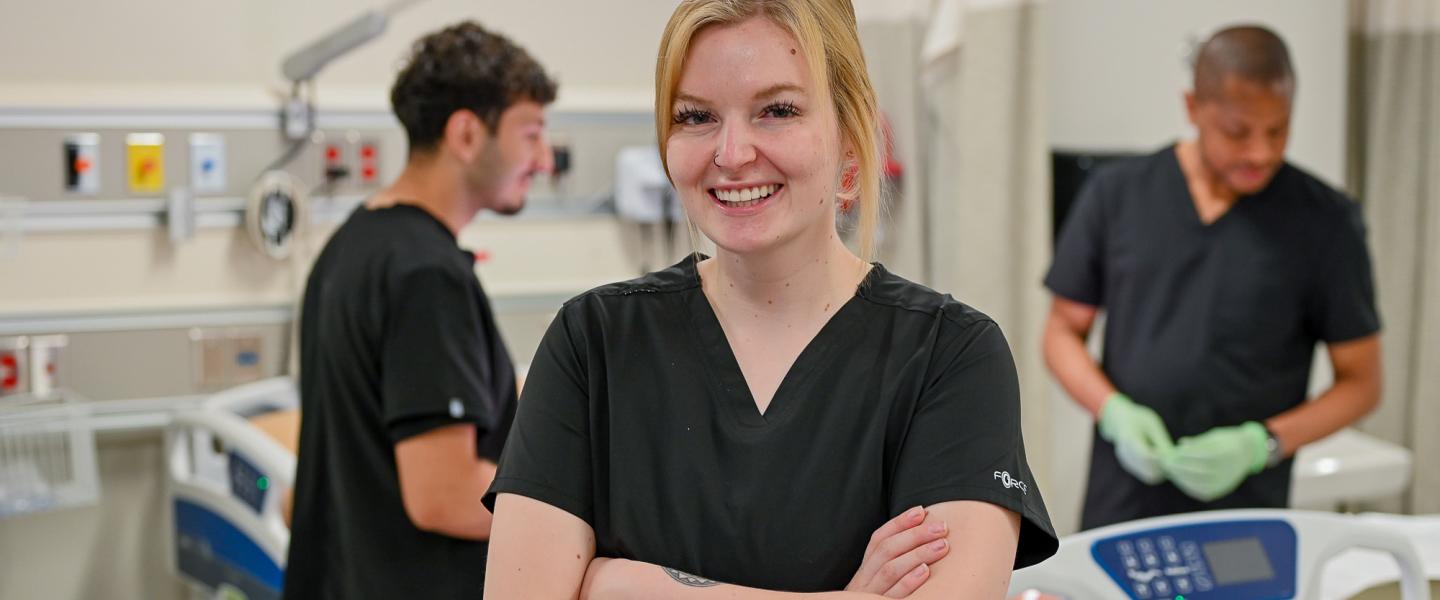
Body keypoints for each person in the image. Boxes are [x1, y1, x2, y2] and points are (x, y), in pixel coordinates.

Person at [483, 1, 1058, 598]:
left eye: (777, 111)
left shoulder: (950, 355)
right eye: (696, 116)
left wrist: (616, 584)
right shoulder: (593, 342)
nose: (731, 154)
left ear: (852, 139)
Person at [1043, 25, 1382, 531]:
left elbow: (1362, 383)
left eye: (1278, 130)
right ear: (1192, 107)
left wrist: (1263, 443)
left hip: (1250, 512)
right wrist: (1112, 411)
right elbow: (1061, 331)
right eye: (1238, 132)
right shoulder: (1118, 196)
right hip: (1124, 504)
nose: (1261, 153)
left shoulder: (1326, 222)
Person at [283, 21, 556, 599]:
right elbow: (447, 495)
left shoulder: (351, 247)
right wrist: (581, 518)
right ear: (465, 134)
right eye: (530, 134)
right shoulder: (427, 276)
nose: (545, 158)